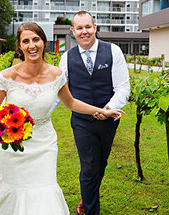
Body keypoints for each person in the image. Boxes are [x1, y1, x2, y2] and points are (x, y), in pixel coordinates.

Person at [0, 22, 123, 215]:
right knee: (15, 187)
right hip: (15, 144)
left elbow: (71, 103)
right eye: (26, 41)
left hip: (45, 144)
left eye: (36, 39)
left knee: (44, 188)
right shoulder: (7, 76)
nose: (32, 45)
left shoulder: (56, 74)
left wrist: (102, 111)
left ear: (44, 43)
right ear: (20, 46)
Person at [58, 11, 130, 215]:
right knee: (89, 166)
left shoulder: (113, 51)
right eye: (79, 28)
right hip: (81, 121)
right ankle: (90, 210)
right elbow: (59, 92)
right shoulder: (67, 58)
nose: (84, 32)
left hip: (108, 120)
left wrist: (107, 109)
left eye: (87, 27)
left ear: (95, 27)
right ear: (73, 31)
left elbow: (123, 87)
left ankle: (87, 195)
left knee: (100, 164)